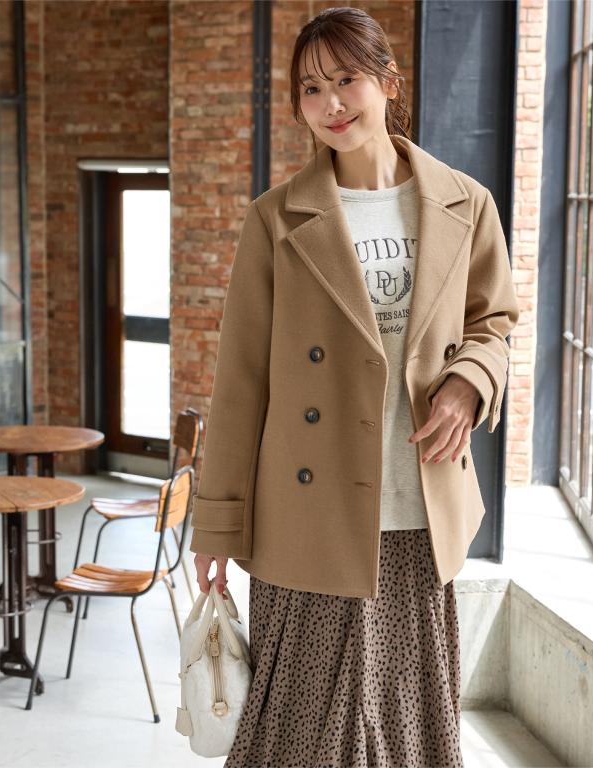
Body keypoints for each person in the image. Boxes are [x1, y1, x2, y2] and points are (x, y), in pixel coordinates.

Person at [191, 7, 519, 767]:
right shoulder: (275, 220)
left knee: (408, 732)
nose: (331, 103)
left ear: (389, 82)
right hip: (306, 517)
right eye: (311, 88)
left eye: (346, 80)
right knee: (297, 735)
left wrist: (469, 382)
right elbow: (240, 382)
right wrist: (216, 527)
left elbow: (494, 321)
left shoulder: (464, 202)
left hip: (418, 509)